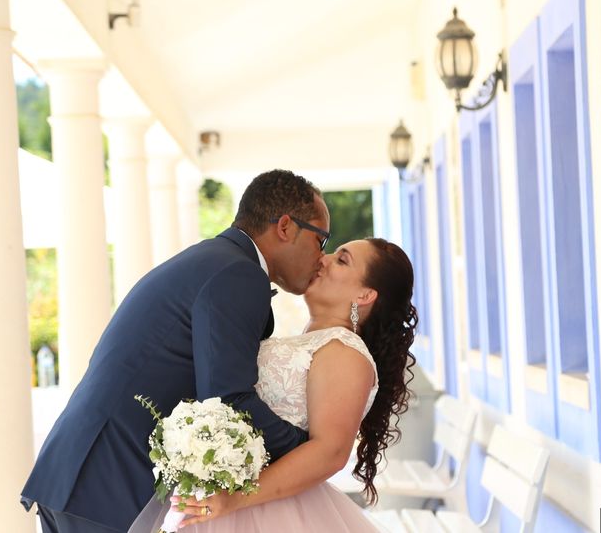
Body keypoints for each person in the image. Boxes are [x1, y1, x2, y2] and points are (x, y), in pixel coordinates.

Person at [21, 169, 331, 532]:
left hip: (84, 475)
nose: (322, 256)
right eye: (321, 240)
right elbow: (229, 400)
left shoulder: (216, 260)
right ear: (284, 227)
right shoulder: (238, 274)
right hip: (107, 482)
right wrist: (308, 449)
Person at [127, 237, 417, 532]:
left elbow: (330, 452)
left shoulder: (346, 353)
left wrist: (234, 499)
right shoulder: (311, 343)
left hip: (266, 510)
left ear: (365, 295)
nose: (324, 259)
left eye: (342, 260)